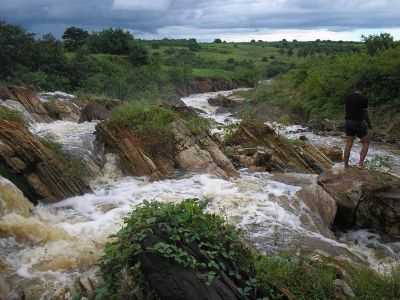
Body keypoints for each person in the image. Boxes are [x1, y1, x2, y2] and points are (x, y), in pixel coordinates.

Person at [343, 88, 372, 168]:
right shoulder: (364, 99)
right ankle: (360, 164)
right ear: (362, 90)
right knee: (366, 142)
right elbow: (365, 113)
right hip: (359, 122)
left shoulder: (347, 97)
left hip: (348, 122)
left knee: (349, 143)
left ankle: (346, 165)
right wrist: (369, 124)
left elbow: (346, 110)